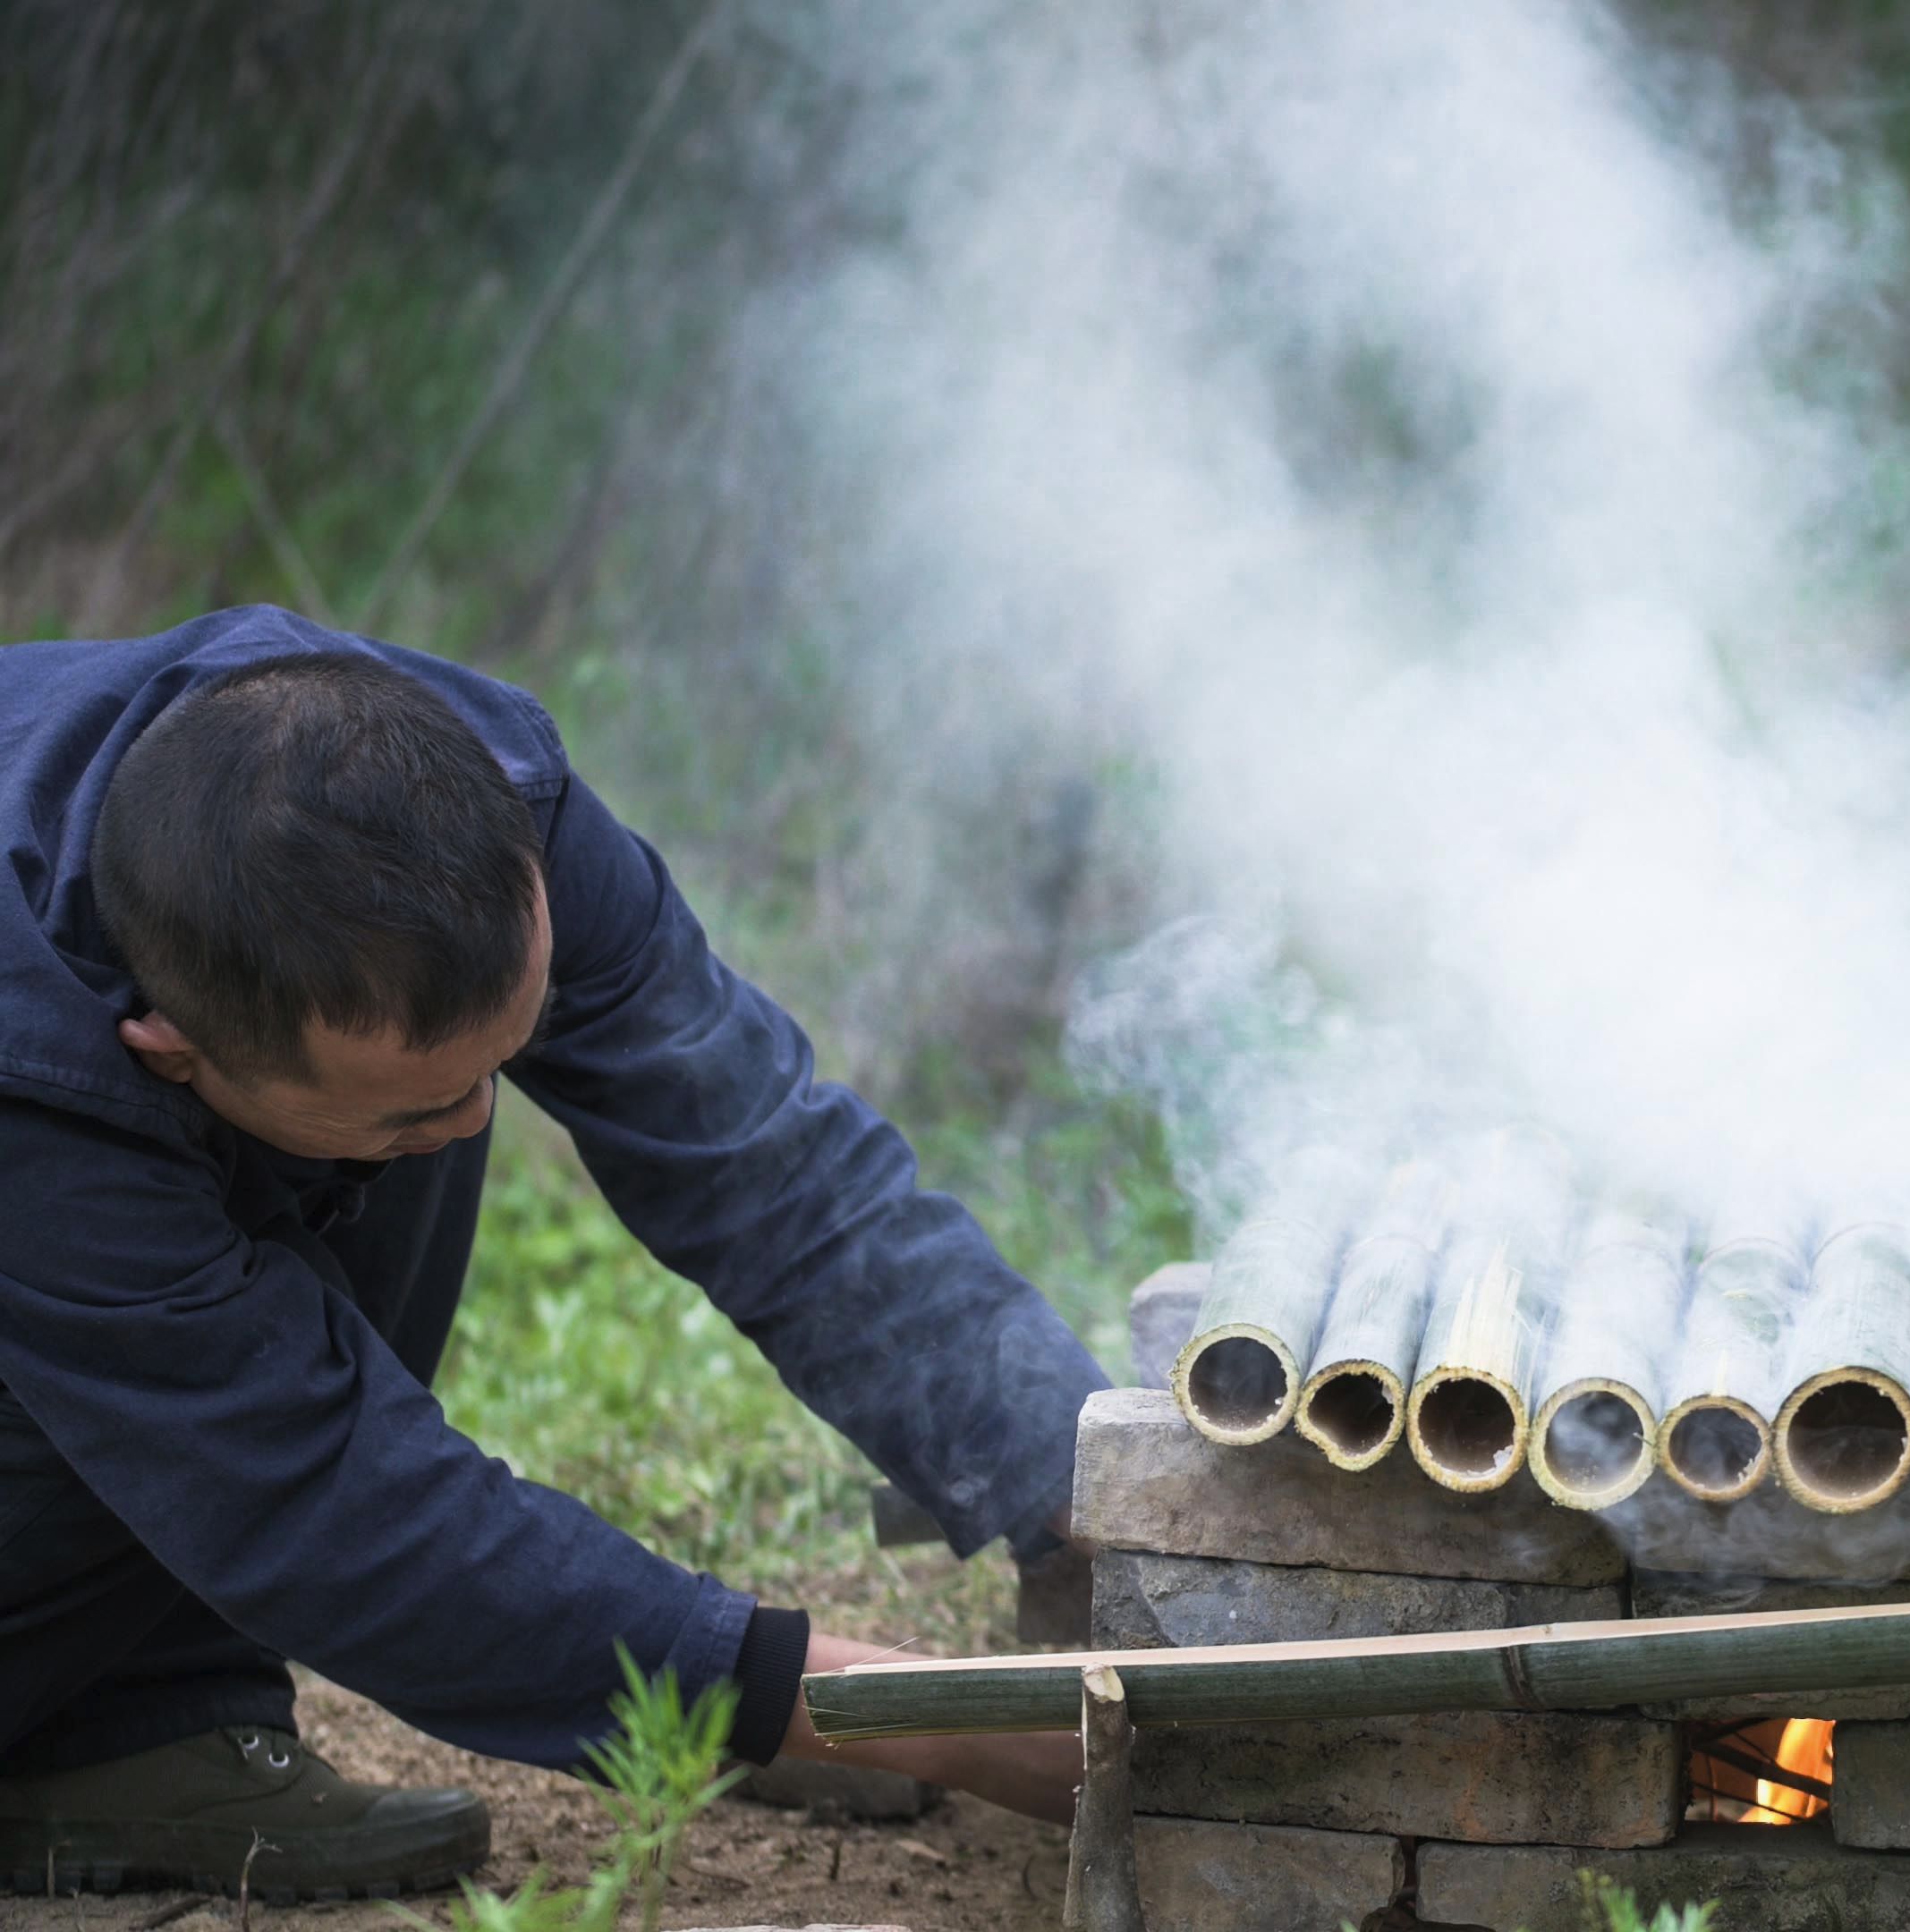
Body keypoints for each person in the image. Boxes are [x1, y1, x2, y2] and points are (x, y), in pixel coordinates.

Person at [0, 606, 1109, 1899]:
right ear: (169, 1049)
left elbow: (770, 1166)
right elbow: (328, 1499)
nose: (479, 1123)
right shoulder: (32, 1064)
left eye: (499, 1067)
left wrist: (1068, 1474)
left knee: (400, 1108)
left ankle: (137, 1721)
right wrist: (891, 1707)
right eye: (423, 1104)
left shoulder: (463, 799)